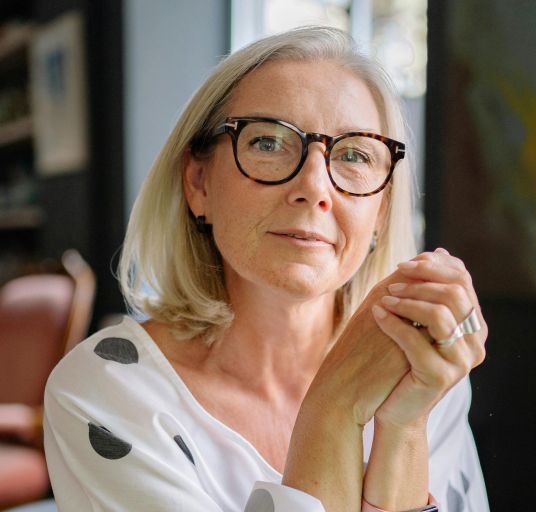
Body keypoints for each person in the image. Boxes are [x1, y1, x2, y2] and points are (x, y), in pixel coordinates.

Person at [44, 26, 489, 512]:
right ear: (199, 183)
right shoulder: (106, 393)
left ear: (380, 211)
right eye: (269, 143)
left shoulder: (423, 373)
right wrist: (332, 410)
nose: (315, 187)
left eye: (355, 154)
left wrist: (402, 424)